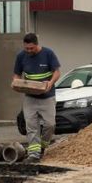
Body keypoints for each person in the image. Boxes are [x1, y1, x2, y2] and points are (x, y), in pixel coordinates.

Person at [12, 33, 61, 162]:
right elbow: (16, 75)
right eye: (26, 48)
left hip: (47, 97)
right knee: (31, 125)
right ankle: (34, 154)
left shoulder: (48, 54)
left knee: (50, 125)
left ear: (37, 44)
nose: (29, 51)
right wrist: (16, 84)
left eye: (31, 48)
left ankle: (43, 146)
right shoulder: (21, 56)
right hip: (30, 97)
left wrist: (50, 83)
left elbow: (57, 71)